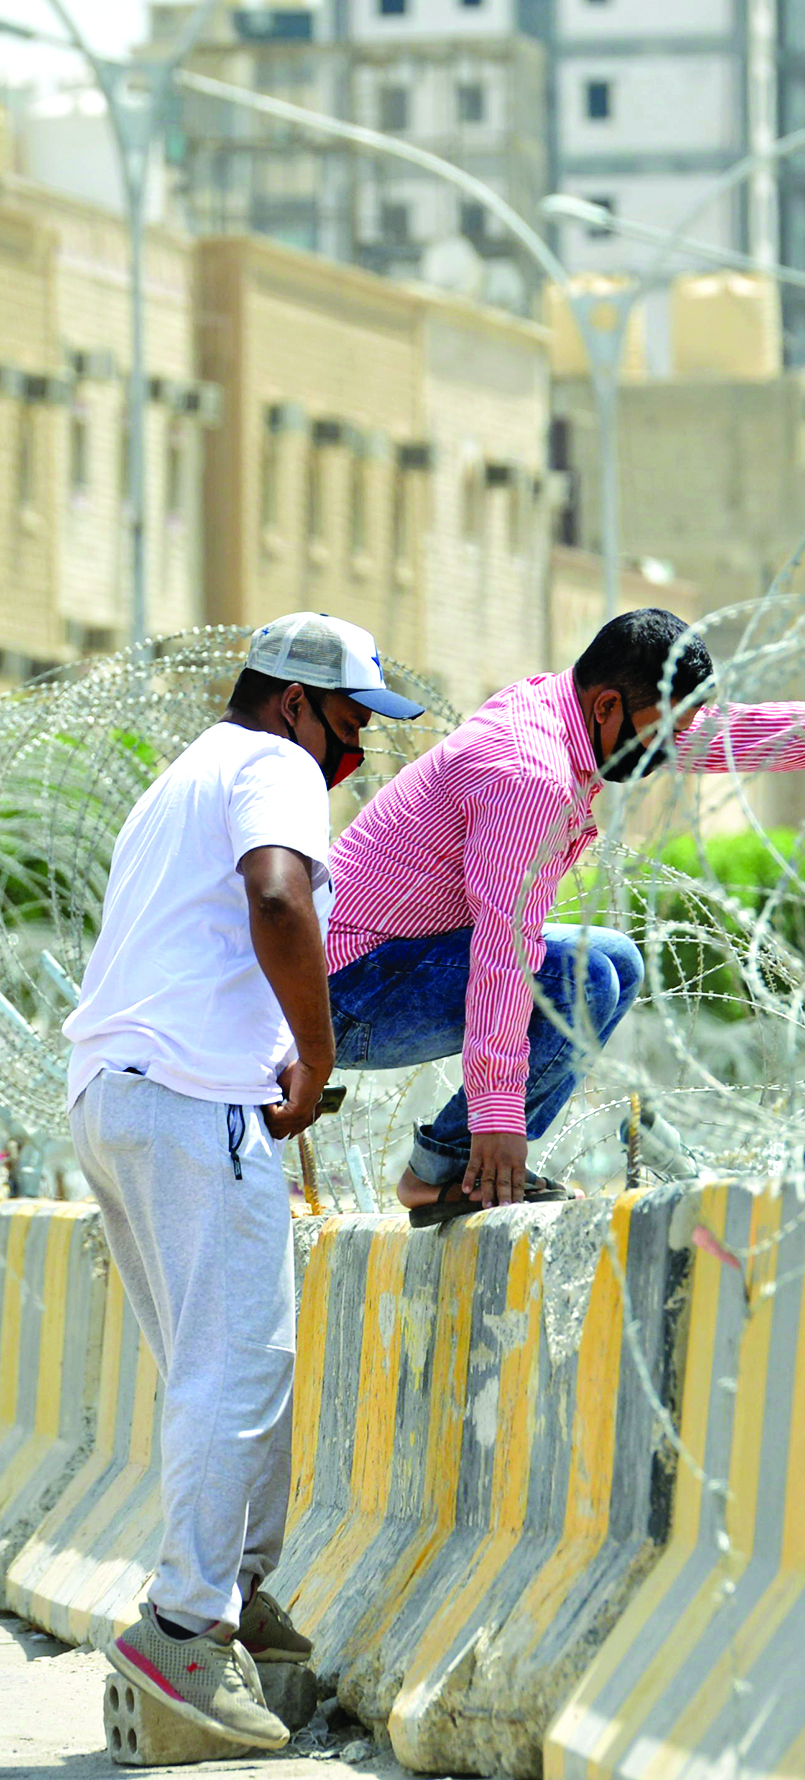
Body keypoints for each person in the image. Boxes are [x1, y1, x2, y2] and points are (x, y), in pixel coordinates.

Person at [62, 612, 422, 1752]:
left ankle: (236, 1603)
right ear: (292, 701)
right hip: (194, 1098)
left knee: (220, 1366)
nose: (351, 752)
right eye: (348, 724)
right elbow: (279, 896)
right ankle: (184, 1629)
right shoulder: (273, 762)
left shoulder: (180, 779)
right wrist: (314, 1058)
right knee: (237, 1370)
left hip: (114, 1094)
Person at [327, 609, 805, 1220]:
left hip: (387, 962)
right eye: (662, 734)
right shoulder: (530, 772)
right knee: (583, 979)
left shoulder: (564, 705)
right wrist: (498, 1113)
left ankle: (456, 1164)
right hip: (342, 995)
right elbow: (503, 948)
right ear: (607, 708)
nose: (671, 752)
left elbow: (731, 733)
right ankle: (453, 1167)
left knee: (615, 960)